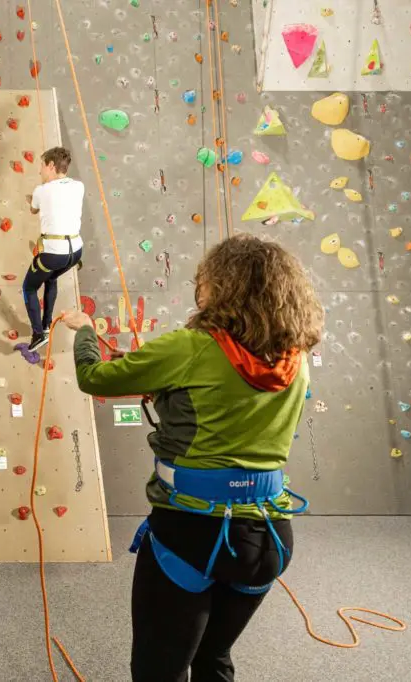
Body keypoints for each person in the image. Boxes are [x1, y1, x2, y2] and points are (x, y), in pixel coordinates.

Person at [62, 234, 323, 682]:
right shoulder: (296, 360)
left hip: (191, 533)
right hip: (268, 536)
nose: (197, 291)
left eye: (201, 282)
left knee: (158, 671)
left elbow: (94, 377)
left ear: (222, 287)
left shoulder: (188, 347)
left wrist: (85, 329)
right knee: (212, 658)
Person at [24, 147, 85, 352]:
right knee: (51, 278)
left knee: (29, 288)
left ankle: (37, 334)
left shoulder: (41, 190)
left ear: (51, 166)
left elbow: (33, 210)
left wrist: (32, 201)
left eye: (42, 165)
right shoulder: (79, 186)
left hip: (54, 253)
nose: (40, 171)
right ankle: (46, 325)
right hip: (75, 252)